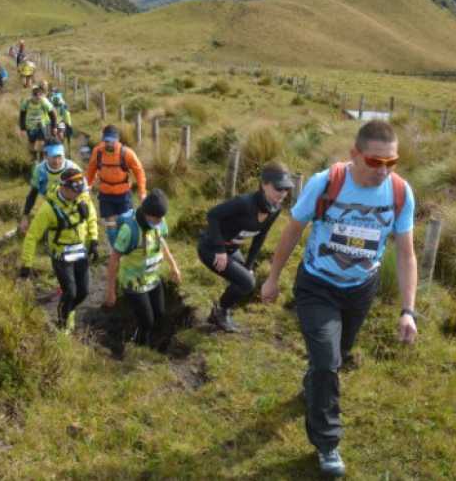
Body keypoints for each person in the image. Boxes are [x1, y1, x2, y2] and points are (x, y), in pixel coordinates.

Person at [260, 120, 418, 477]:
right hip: (317, 285)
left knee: (336, 356)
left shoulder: (400, 193)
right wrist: (272, 279)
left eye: (391, 162)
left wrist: (408, 311)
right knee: (328, 362)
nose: (383, 170)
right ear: (355, 155)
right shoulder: (325, 183)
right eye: (375, 162)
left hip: (361, 289)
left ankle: (314, 384)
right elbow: (293, 230)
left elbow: (406, 254)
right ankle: (328, 444)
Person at [198, 161, 293, 332]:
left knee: (246, 276)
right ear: (264, 185)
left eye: (286, 189)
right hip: (210, 247)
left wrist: (249, 265)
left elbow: (261, 236)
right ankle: (220, 312)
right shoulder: (244, 203)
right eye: (279, 188)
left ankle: (220, 310)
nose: (283, 193)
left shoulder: (275, 209)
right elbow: (212, 215)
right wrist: (219, 250)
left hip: (232, 250)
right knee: (247, 283)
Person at [20, 168, 98, 335]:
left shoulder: (82, 198)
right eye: (75, 191)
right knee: (70, 292)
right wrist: (26, 265)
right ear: (64, 187)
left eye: (80, 191)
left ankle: (68, 310)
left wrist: (94, 240)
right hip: (61, 256)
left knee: (83, 292)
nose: (79, 195)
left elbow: (91, 218)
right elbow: (32, 236)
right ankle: (63, 325)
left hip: (80, 253)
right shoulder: (48, 209)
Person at [104, 189, 181, 348]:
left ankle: (153, 342)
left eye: (161, 218)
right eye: (156, 218)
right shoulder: (129, 230)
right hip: (133, 283)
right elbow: (114, 259)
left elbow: (162, 242)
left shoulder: (160, 222)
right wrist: (111, 291)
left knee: (159, 314)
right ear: (146, 213)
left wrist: (174, 266)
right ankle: (138, 345)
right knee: (147, 321)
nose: (159, 221)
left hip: (153, 278)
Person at [86, 125, 147, 237]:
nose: (109, 144)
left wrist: (142, 192)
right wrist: (87, 186)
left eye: (112, 141)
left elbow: (139, 172)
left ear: (117, 140)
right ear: (103, 140)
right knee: (110, 223)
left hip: (123, 194)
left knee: (125, 223)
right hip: (105, 194)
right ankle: (114, 249)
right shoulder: (98, 152)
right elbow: (91, 169)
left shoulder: (127, 153)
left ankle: (124, 246)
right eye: (106, 141)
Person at [20, 141, 82, 234]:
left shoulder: (72, 168)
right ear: (45, 156)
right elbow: (33, 194)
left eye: (59, 156)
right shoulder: (40, 170)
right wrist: (25, 216)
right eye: (53, 157)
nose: (57, 161)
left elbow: (84, 194)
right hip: (51, 208)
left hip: (71, 208)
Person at [20, 85, 57, 158]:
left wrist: (54, 127)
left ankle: (41, 159)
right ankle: (32, 160)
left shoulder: (44, 102)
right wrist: (22, 128)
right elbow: (22, 115)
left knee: (42, 143)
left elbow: (53, 114)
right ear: (32, 96)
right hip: (30, 126)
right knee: (31, 143)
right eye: (36, 98)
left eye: (39, 98)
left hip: (43, 125)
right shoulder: (26, 102)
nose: (38, 100)